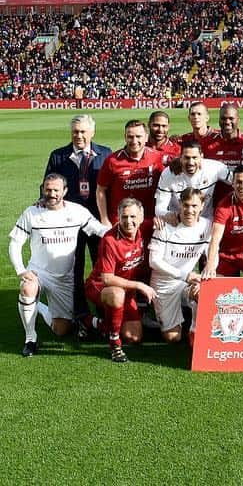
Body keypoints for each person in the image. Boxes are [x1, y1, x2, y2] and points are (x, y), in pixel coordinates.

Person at [9, 173, 109, 357]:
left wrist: (121, 231)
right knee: (28, 289)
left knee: (62, 330)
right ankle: (30, 339)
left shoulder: (77, 211)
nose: (52, 194)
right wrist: (21, 270)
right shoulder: (32, 212)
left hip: (65, 278)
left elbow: (98, 229)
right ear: (42, 190)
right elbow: (15, 242)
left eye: (56, 190)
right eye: (48, 190)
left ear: (65, 191)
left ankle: (37, 307)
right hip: (39, 273)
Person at [43, 114, 112, 321]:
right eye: (75, 131)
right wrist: (42, 201)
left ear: (92, 132)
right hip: (69, 224)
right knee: (74, 269)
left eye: (83, 131)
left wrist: (107, 217)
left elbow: (110, 187)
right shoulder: (58, 156)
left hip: (98, 221)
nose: (79, 135)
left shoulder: (105, 153)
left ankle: (103, 311)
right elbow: (47, 184)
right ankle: (81, 314)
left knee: (101, 266)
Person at [83, 198, 154, 363]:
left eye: (133, 217)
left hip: (125, 288)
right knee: (117, 294)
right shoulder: (110, 240)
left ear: (141, 217)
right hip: (101, 286)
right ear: (118, 217)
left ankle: (90, 322)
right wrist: (139, 285)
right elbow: (107, 278)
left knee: (134, 337)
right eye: (124, 217)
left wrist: (170, 218)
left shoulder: (145, 228)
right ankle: (115, 344)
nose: (129, 221)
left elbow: (168, 220)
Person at [147, 188, 211, 344]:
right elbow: (154, 261)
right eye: (186, 205)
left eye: (195, 206)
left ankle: (195, 332)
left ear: (202, 206)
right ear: (180, 205)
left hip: (186, 283)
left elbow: (212, 254)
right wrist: (185, 275)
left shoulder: (207, 225)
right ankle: (154, 316)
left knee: (201, 293)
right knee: (173, 338)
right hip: (164, 284)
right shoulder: (165, 226)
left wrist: (210, 275)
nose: (190, 210)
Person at [96, 119, 165, 226]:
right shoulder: (112, 161)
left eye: (138, 136)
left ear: (146, 137)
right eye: (130, 137)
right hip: (121, 221)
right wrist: (104, 219)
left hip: (149, 221)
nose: (134, 141)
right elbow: (100, 190)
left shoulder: (157, 157)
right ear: (125, 137)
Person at [155, 140, 232, 219]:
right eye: (187, 158)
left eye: (194, 157)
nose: (191, 162)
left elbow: (238, 180)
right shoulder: (169, 174)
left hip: (206, 221)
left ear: (201, 157)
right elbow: (159, 208)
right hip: (178, 221)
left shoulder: (215, 168)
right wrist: (168, 215)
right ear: (180, 157)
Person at [204, 103, 243, 170]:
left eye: (231, 118)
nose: (227, 122)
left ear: (238, 119)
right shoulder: (207, 143)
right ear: (219, 120)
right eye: (223, 118)